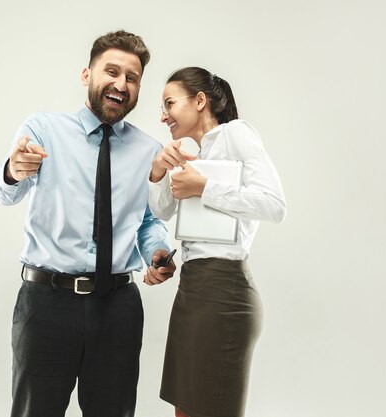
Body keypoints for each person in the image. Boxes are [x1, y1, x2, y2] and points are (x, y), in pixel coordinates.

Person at [0, 30, 176, 417]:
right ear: (86, 75)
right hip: (46, 302)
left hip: (118, 307)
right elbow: (5, 191)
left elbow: (147, 221)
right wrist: (13, 169)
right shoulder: (43, 129)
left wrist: (157, 251)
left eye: (132, 78)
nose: (121, 84)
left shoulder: (148, 151)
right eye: (111, 71)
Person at [144, 67, 287, 417]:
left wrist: (204, 188)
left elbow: (275, 205)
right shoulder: (194, 153)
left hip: (225, 291)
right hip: (193, 289)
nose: (163, 116)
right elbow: (162, 211)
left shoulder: (235, 134)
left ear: (200, 101)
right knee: (185, 410)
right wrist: (158, 171)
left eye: (169, 103)